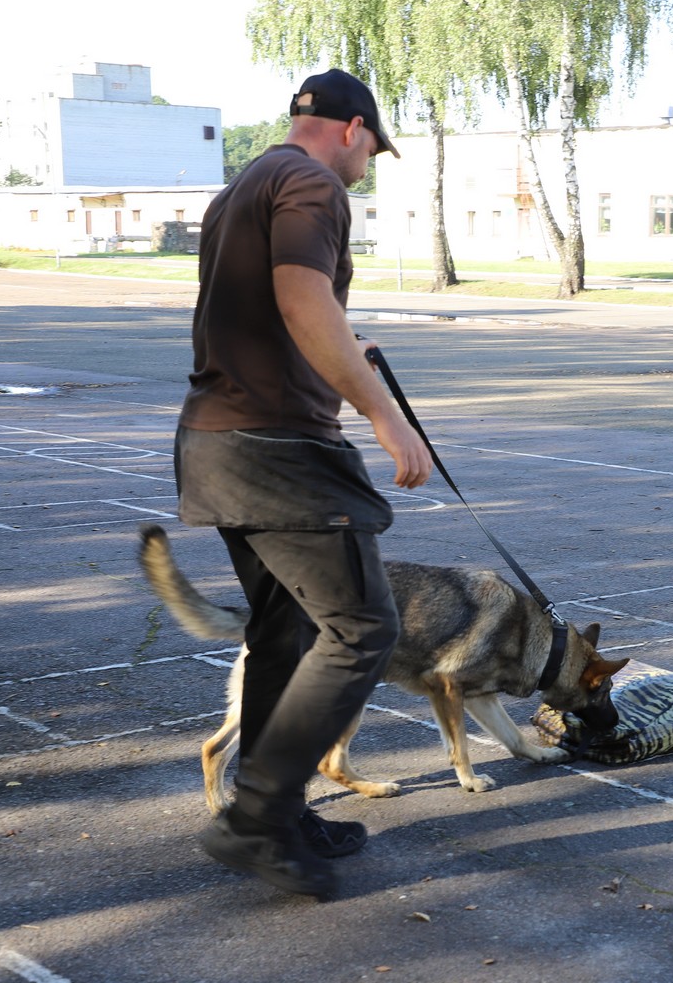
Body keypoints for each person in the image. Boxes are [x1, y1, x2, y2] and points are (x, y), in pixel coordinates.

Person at [173, 68, 432, 896]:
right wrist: (385, 413)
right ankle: (255, 814)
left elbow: (272, 310)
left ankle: (277, 813)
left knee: (284, 632)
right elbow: (299, 297)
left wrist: (342, 358)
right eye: (373, 151)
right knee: (360, 625)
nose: (367, 166)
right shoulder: (313, 182)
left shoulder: (244, 184)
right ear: (353, 128)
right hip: (275, 449)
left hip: (218, 440)